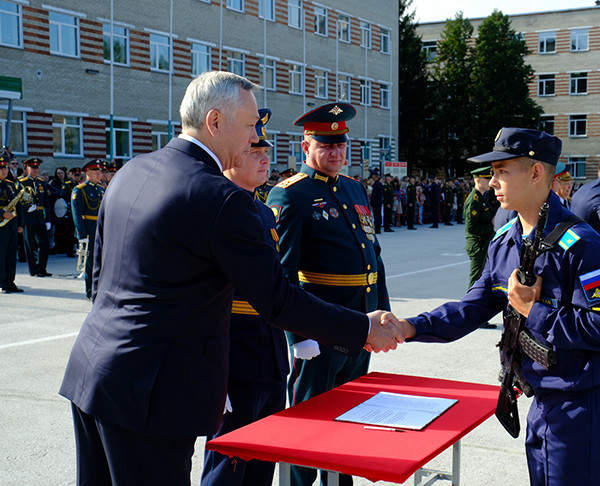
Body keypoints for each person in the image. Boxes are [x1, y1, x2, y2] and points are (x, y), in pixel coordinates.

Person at [58, 72, 403, 486]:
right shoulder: (221, 198)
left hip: (93, 373)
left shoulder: (134, 170)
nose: (257, 134)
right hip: (153, 393)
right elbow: (276, 299)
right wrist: (362, 326)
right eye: (251, 124)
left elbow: (98, 278)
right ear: (215, 122)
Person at [395, 128, 600, 486]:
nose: (492, 182)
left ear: (536, 173)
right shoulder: (505, 243)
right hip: (542, 403)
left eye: (502, 171)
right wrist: (409, 327)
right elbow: (471, 308)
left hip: (581, 408)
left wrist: (533, 311)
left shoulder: (582, 246)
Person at [266, 102, 391, 486]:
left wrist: (383, 315)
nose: (335, 153)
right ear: (306, 148)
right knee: (309, 419)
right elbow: (282, 275)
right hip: (319, 328)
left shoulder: (354, 188)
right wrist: (297, 337)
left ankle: (340, 482)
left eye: (340, 145)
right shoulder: (289, 195)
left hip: (361, 323)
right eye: (326, 145)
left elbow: (374, 256)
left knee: (349, 412)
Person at [201, 109, 289, 486]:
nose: (264, 158)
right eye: (254, 150)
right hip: (233, 355)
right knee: (227, 463)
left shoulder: (265, 213)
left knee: (261, 461)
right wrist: (212, 374)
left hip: (268, 354)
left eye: (265, 150)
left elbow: (278, 286)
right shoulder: (215, 208)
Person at [71, 160, 105, 300]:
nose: (99, 175)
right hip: (89, 229)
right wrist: (81, 234)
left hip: (101, 229)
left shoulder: (101, 189)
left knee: (102, 261)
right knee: (90, 262)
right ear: (87, 173)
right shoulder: (80, 189)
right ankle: (91, 291)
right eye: (96, 172)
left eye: (100, 172)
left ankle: (101, 289)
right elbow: (76, 214)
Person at [464, 165, 497, 291]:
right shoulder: (474, 200)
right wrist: (491, 225)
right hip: (478, 245)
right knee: (475, 280)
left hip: (484, 243)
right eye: (487, 179)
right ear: (478, 180)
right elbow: (471, 228)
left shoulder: (482, 197)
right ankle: (468, 306)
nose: (491, 182)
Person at [18, 158, 52, 277]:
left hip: (40, 217)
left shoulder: (41, 182)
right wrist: (26, 209)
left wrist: (48, 219)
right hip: (28, 217)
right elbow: (18, 200)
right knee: (30, 245)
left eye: (37, 168)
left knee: (45, 243)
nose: (35, 170)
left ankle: (42, 268)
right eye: (33, 168)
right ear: (27, 168)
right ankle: (33, 270)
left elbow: (46, 202)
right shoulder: (22, 182)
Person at [0, 155, 24, 293]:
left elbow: (18, 205)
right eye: (1, 168)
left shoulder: (10, 184)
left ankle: (10, 281)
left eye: (5, 168)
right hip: (1, 225)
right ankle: (2, 282)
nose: (4, 170)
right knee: (1, 254)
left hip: (12, 225)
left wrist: (20, 224)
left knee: (10, 255)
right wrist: (2, 213)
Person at [370, 169, 383, 234]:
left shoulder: (376, 184)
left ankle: (377, 229)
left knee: (376, 215)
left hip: (376, 202)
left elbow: (374, 195)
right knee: (379, 215)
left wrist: (372, 203)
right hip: (379, 201)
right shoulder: (380, 184)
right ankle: (378, 229)